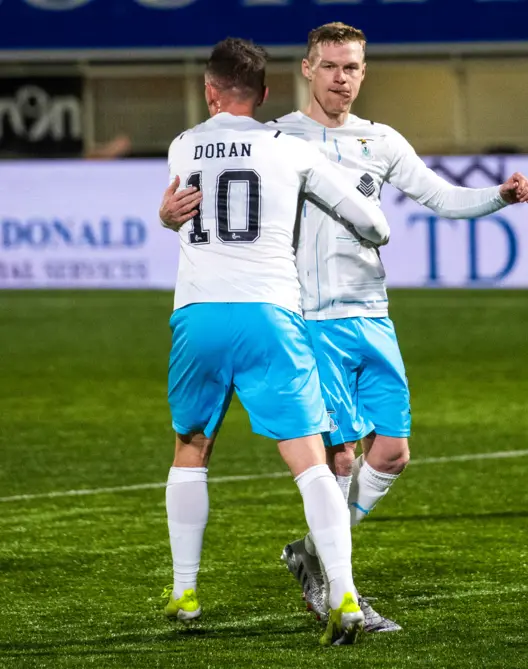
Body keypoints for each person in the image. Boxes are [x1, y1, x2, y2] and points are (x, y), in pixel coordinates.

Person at [160, 23, 528, 633]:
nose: (342, 78)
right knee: (334, 459)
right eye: (331, 66)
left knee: (392, 452)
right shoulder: (280, 138)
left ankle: (311, 556)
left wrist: (498, 195)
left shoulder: (379, 140)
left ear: (363, 73)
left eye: (353, 67)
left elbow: (440, 198)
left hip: (371, 314)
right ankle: (343, 594)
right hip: (308, 317)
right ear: (306, 70)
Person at [160, 36, 391, 647]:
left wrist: (165, 218)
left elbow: (176, 208)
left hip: (199, 314)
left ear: (210, 91)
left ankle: (185, 591)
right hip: (270, 312)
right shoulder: (288, 148)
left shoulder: (182, 145)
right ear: (265, 95)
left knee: (192, 447)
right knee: (311, 458)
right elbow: (374, 224)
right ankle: (341, 592)